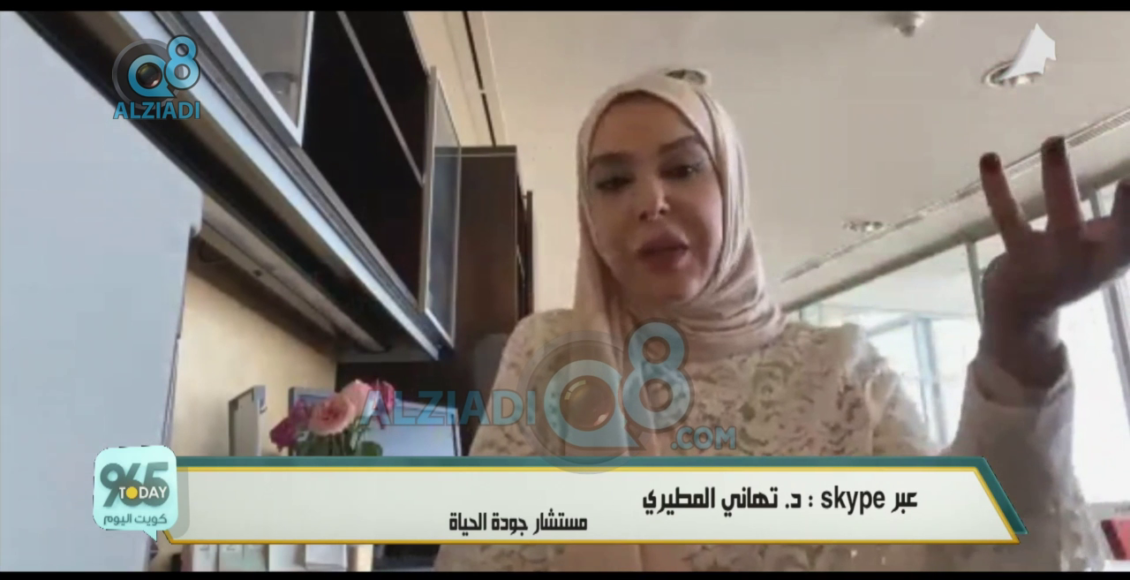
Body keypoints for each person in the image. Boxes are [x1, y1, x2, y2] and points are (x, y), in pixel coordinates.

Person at [434, 68, 1130, 571]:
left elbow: (959, 551)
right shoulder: (549, 350)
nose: (650, 201)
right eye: (613, 181)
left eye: (683, 169)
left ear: (730, 189)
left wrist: (1020, 337)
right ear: (589, 215)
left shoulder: (842, 372)